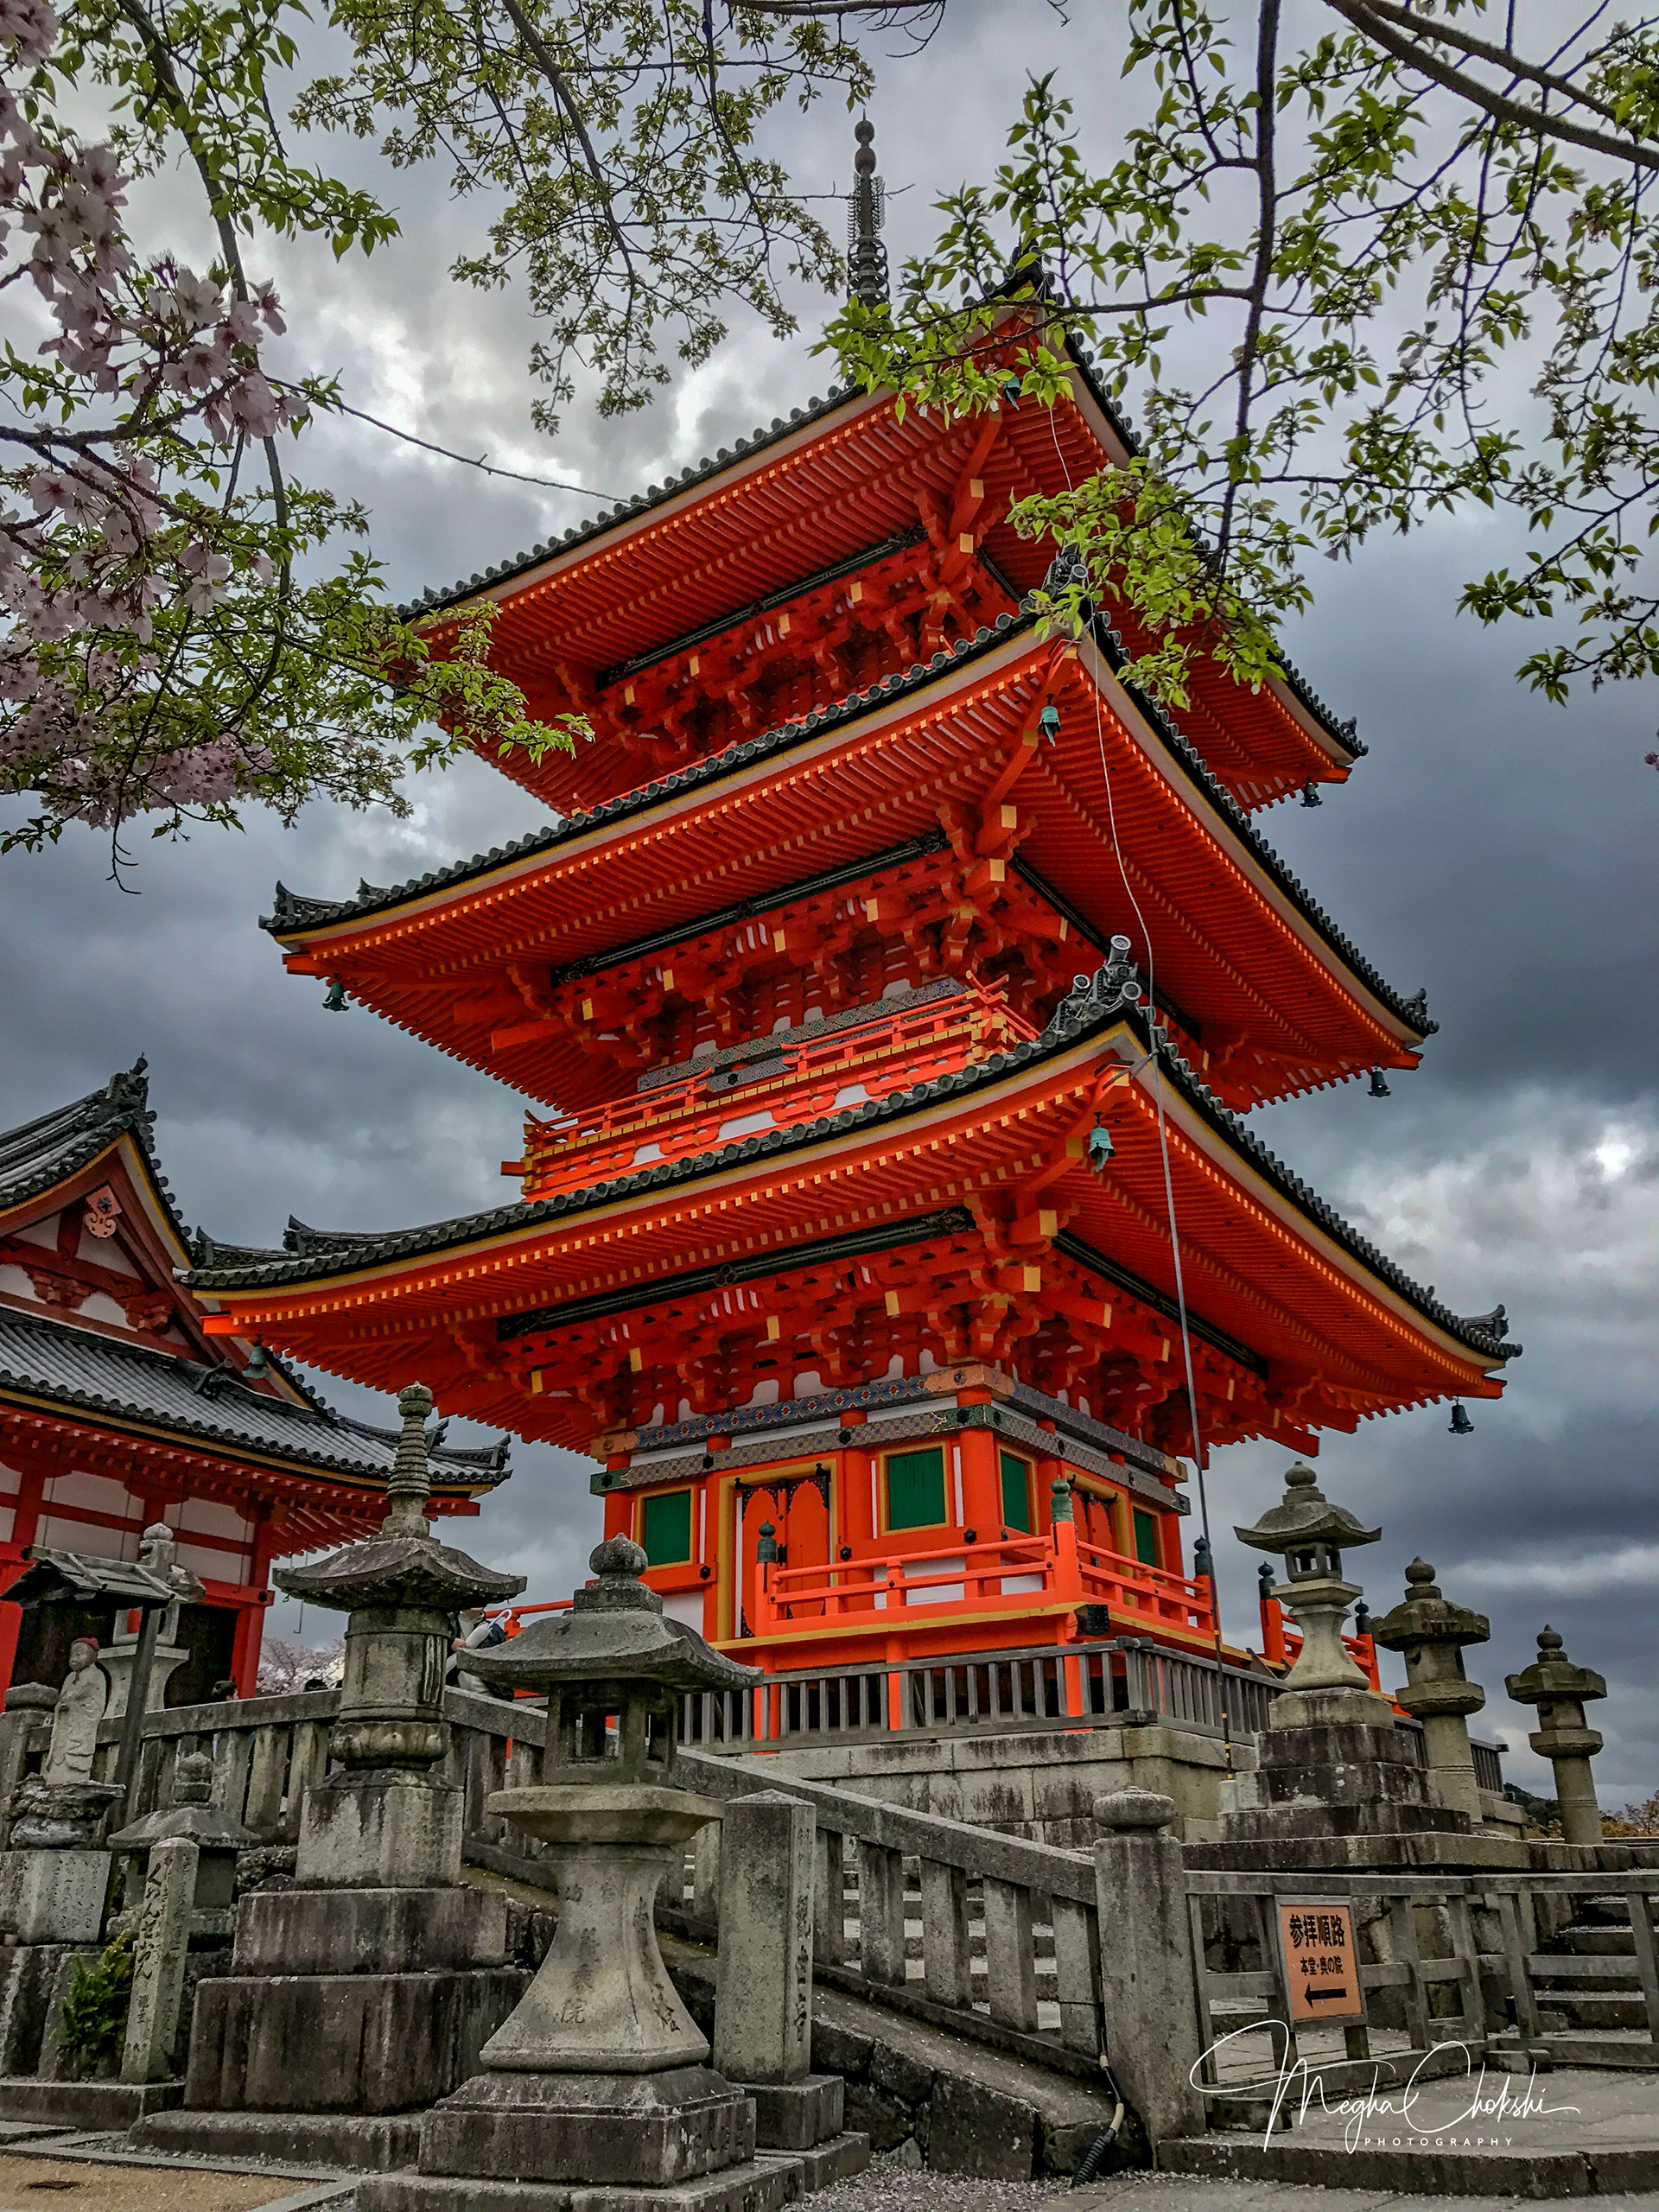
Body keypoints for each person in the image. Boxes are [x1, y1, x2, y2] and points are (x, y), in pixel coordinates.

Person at [42, 1637, 108, 1785]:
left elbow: (95, 1706)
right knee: (58, 1761)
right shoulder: (69, 1677)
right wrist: (63, 1706)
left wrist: (74, 1706)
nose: (74, 1659)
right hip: (65, 1726)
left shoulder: (96, 1675)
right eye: (73, 1655)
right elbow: (63, 1698)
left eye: (80, 1655)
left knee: (74, 1766)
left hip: (79, 1728)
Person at [447, 1608, 509, 1698]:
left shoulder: (493, 1630)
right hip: (453, 1691)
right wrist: (449, 1641)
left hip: (487, 1694)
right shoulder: (446, 1625)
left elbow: (503, 1669)